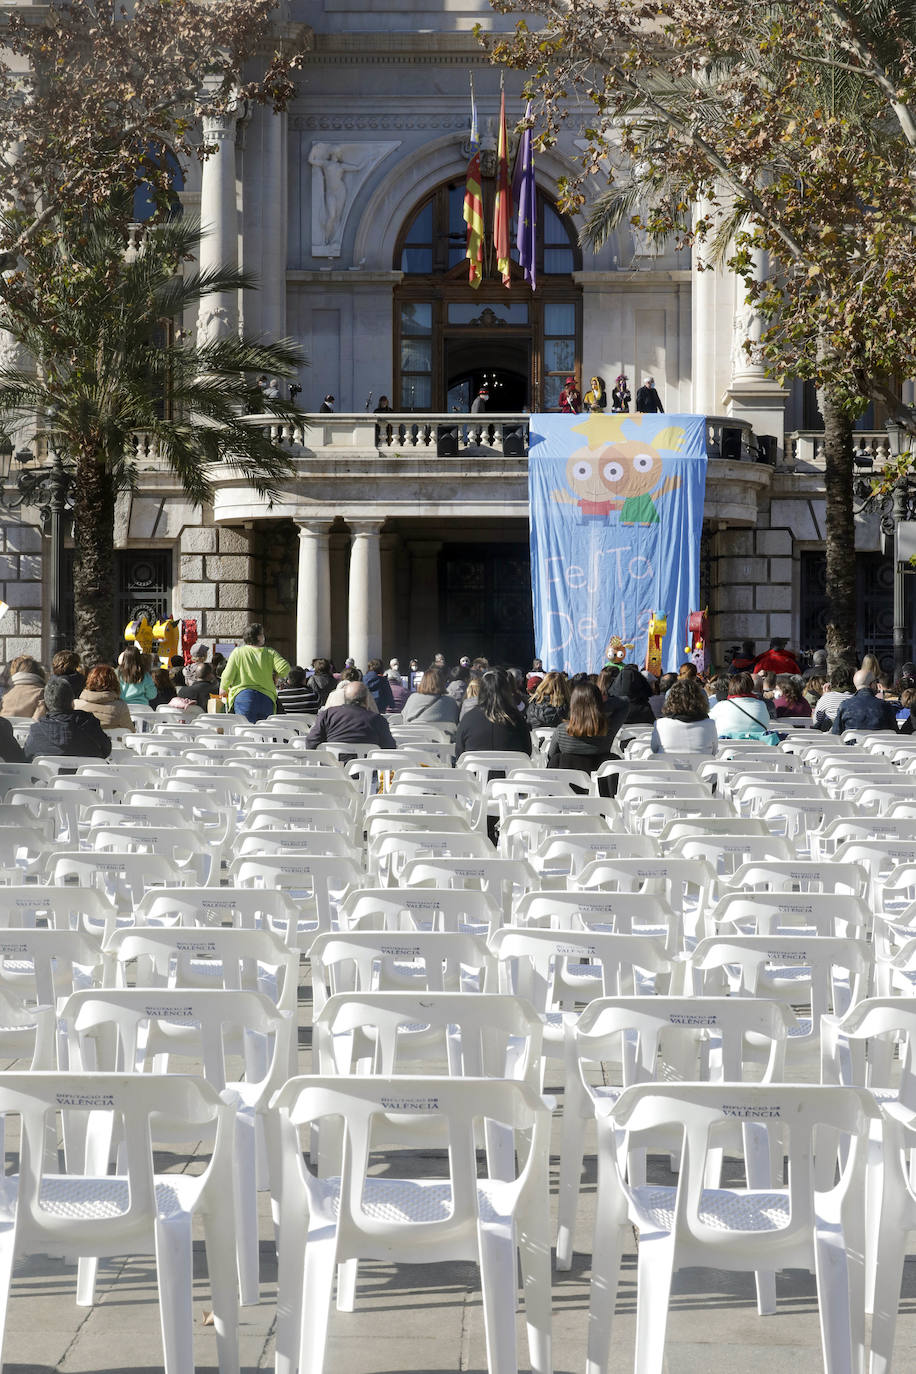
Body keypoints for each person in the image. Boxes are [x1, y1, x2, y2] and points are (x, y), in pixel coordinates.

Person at [546, 680, 626, 778]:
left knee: (557, 759)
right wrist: (600, 704)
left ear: (573, 704)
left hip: (568, 784)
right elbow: (625, 703)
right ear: (599, 703)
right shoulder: (606, 728)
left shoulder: (562, 730)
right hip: (599, 784)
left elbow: (551, 756)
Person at [24, 677, 111, 760]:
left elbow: (27, 755)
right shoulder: (89, 724)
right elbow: (106, 750)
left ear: (46, 705)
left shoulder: (36, 731)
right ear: (72, 701)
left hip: (47, 775)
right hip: (87, 775)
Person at [219, 623, 291, 722]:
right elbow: (285, 668)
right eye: (262, 634)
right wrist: (276, 676)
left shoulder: (238, 652)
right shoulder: (270, 652)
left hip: (243, 696)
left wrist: (223, 688)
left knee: (246, 731)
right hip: (266, 697)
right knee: (264, 734)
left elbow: (228, 674)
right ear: (258, 637)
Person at [454, 669, 532, 757]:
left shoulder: (468, 718)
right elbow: (527, 752)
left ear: (482, 691)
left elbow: (459, 753)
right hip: (510, 770)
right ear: (507, 691)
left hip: (475, 770)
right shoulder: (518, 720)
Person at [304, 680, 396, 752]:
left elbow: (311, 742)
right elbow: (389, 748)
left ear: (345, 698)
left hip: (333, 772)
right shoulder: (378, 720)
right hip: (368, 772)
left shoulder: (327, 715)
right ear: (367, 699)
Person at [650, 677, 719, 754]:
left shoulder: (660, 724)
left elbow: (654, 749)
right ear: (700, 699)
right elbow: (714, 751)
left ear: (671, 700)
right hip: (699, 765)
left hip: (668, 764)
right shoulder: (710, 724)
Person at [832, 667, 898, 733]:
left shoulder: (844, 706)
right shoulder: (885, 706)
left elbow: (836, 734)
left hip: (852, 742)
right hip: (879, 743)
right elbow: (895, 733)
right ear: (872, 684)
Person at [710, 672, 774, 738]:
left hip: (726, 747)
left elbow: (708, 724)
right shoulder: (762, 705)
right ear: (751, 687)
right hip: (757, 746)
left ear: (731, 687)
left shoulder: (721, 706)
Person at [73, 664, 134, 730]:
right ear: (114, 683)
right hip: (113, 740)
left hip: (84, 740)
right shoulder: (120, 707)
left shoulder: (76, 705)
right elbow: (130, 731)